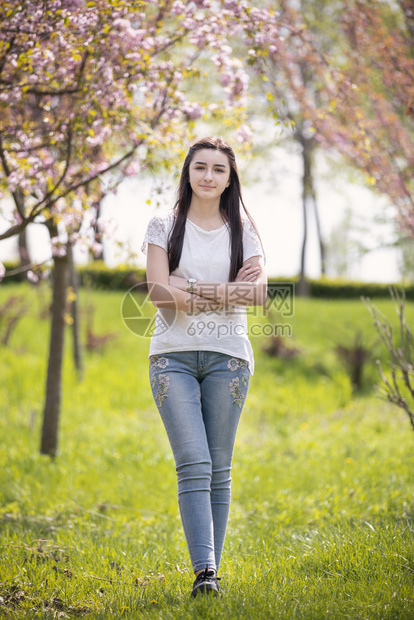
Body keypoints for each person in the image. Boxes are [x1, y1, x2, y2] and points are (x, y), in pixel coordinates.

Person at [141, 136, 267, 598]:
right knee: (194, 462)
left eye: (218, 169)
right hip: (170, 355)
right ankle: (205, 573)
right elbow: (156, 293)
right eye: (201, 167)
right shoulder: (163, 225)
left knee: (219, 467)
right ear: (187, 172)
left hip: (229, 359)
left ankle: (210, 572)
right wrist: (225, 289)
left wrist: (188, 287)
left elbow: (258, 296)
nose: (208, 176)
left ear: (229, 178)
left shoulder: (244, 230)